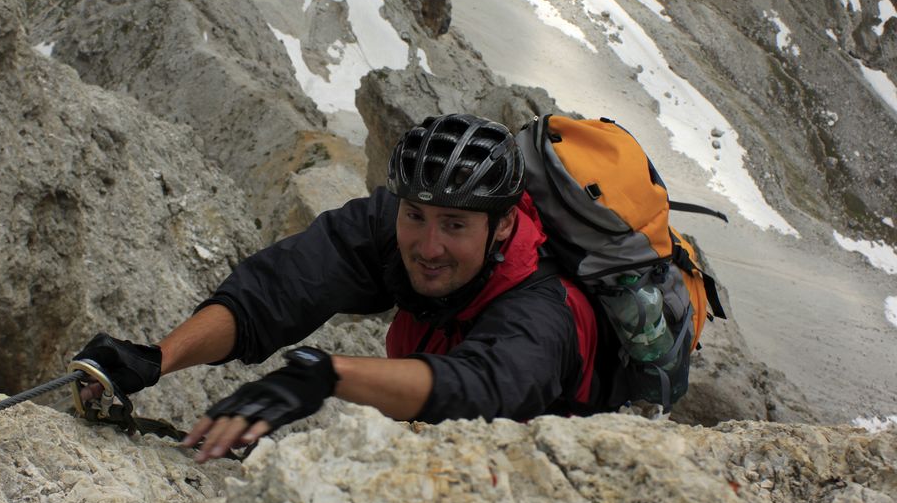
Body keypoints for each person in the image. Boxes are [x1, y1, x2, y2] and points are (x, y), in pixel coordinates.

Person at [74, 114, 598, 462]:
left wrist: (327, 376)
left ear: (503, 224)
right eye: (416, 215)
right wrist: (156, 358)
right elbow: (279, 289)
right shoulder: (393, 225)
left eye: (455, 225)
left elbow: (483, 385)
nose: (428, 245)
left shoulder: (545, 308)